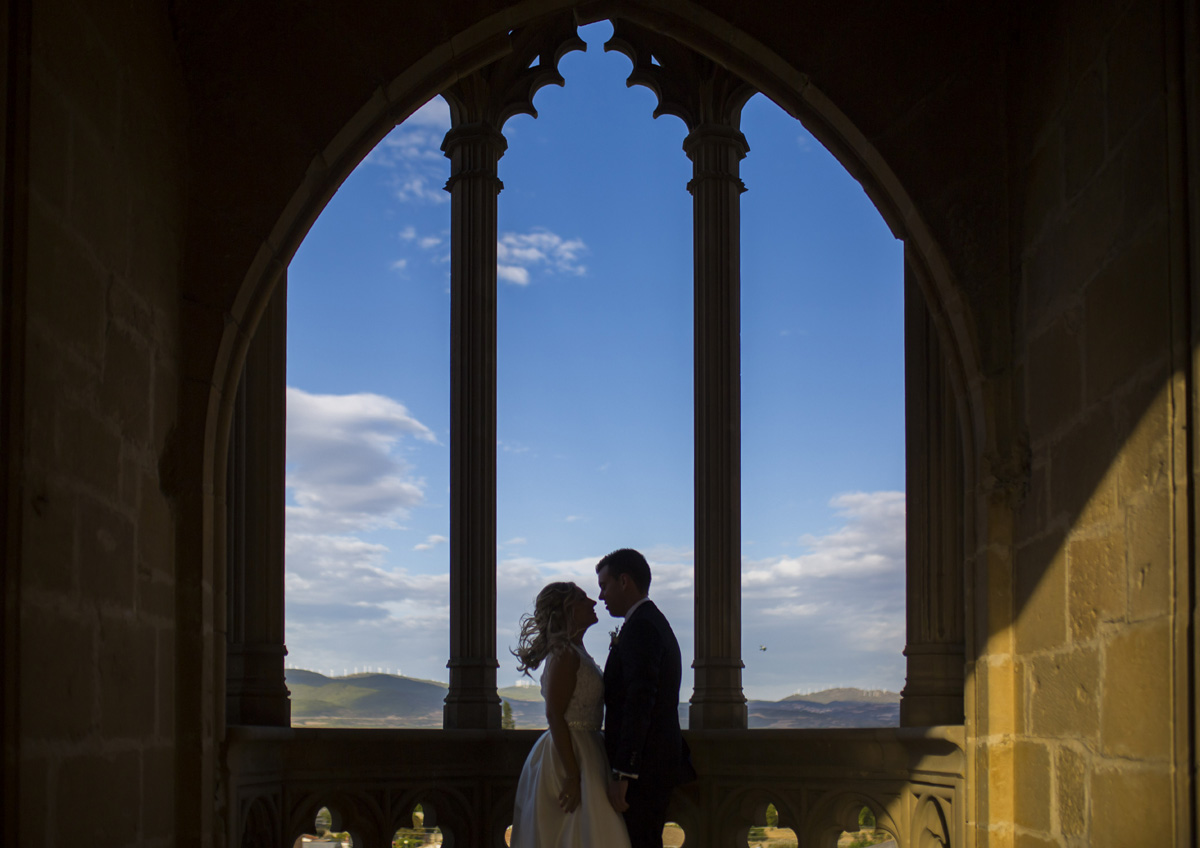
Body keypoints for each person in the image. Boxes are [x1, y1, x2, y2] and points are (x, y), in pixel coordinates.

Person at [509, 582, 632, 848]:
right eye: (582, 599)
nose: (593, 602)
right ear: (566, 611)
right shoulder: (563, 654)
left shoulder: (576, 651)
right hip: (569, 755)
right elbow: (554, 714)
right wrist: (573, 775)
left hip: (589, 749)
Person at [596, 548, 695, 848]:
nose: (601, 597)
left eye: (604, 586)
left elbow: (640, 702)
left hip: (644, 773)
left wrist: (624, 771)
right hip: (652, 767)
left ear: (624, 581)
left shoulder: (641, 628)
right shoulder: (649, 621)